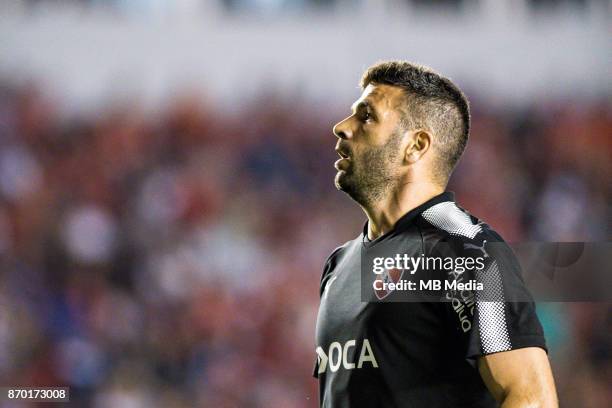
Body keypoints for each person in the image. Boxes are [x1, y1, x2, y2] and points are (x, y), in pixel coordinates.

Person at [313, 61, 557, 407]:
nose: (341, 127)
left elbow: (529, 397)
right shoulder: (338, 265)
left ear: (416, 145)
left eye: (366, 117)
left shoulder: (468, 251)